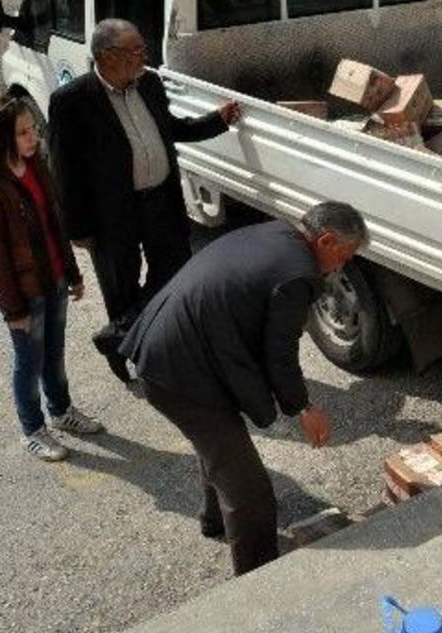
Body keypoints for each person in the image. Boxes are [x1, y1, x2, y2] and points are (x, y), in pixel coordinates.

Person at [118, 202, 366, 575]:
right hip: (179, 375)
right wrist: (303, 408)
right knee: (251, 492)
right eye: (343, 257)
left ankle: (214, 520)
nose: (341, 268)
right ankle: (257, 579)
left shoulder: (278, 234)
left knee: (218, 446)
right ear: (327, 240)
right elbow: (280, 353)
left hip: (168, 351)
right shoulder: (297, 274)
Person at [48, 18, 241, 383]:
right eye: (136, 50)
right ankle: (126, 355)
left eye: (142, 49)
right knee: (120, 286)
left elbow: (170, 129)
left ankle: (127, 337)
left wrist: (215, 121)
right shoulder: (72, 101)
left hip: (161, 203)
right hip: (113, 215)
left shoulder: (149, 84)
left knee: (175, 274)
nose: (144, 56)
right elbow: (65, 171)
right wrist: (77, 229)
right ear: (107, 56)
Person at [0, 97, 103, 461]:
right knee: (29, 362)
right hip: (25, 294)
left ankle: (61, 412)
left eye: (33, 129)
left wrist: (71, 272)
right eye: (22, 133)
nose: (32, 137)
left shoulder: (36, 166)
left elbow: (55, 223)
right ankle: (32, 429)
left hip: (53, 280)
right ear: (1, 139)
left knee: (54, 355)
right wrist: (13, 310)